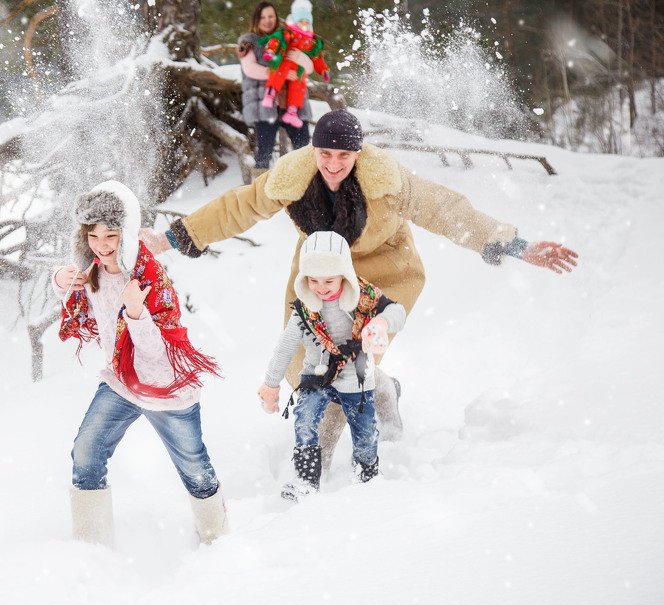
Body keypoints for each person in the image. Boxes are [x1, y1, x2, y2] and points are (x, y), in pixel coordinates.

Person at [141, 109, 578, 470]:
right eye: (325, 154)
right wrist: (174, 238)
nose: (333, 164)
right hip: (318, 277)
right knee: (303, 366)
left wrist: (514, 244)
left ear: (359, 153)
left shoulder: (389, 184)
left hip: (383, 274)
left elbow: (447, 210)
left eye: (344, 155)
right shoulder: (292, 180)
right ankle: (382, 393)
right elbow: (238, 207)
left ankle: (316, 468)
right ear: (313, 150)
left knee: (348, 362)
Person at [53, 180, 227, 547]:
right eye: (93, 236)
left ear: (126, 234)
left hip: (167, 389)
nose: (102, 246)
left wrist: (135, 312)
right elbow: (85, 312)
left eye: (111, 235)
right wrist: (61, 280)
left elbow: (158, 354)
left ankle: (217, 541)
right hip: (122, 383)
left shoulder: (149, 278)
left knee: (195, 469)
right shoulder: (93, 274)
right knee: (86, 450)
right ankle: (90, 547)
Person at [259, 231, 406, 498]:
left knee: (363, 429)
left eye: (329, 279)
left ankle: (366, 475)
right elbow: (285, 347)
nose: (321, 287)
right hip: (317, 378)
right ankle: (306, 481)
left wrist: (381, 323)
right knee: (305, 421)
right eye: (313, 280)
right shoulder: (304, 309)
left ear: (345, 275)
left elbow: (398, 312)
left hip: (356, 376)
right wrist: (270, 384)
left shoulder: (363, 297)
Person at [237, 1, 314, 177]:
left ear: (276, 18)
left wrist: (300, 57)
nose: (267, 20)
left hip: (292, 104)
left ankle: (307, 188)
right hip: (264, 104)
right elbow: (250, 69)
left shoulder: (290, 36)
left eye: (271, 16)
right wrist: (281, 73)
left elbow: (309, 68)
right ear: (256, 19)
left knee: (305, 149)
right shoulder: (248, 42)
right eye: (263, 17)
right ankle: (260, 194)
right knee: (264, 152)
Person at [258, 0, 330, 130]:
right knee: (279, 72)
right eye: (301, 21)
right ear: (295, 21)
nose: (304, 25)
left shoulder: (311, 41)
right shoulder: (288, 33)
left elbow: (317, 57)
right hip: (285, 62)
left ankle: (292, 111)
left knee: (300, 85)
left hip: (299, 68)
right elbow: (276, 40)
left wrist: (323, 69)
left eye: (307, 22)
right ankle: (270, 93)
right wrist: (271, 50)